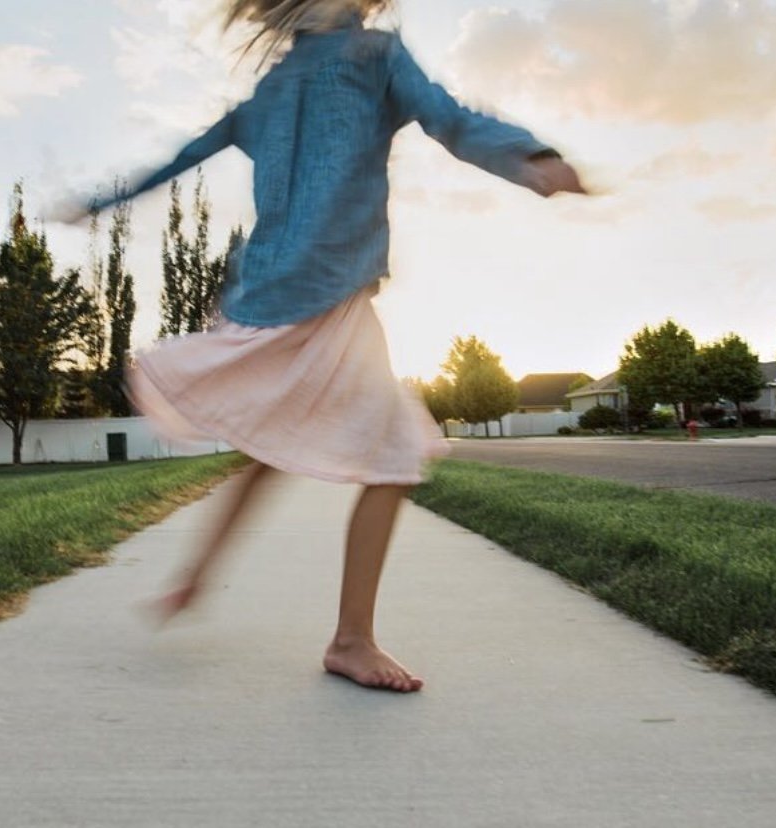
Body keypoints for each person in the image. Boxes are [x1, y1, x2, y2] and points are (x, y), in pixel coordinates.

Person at [52, 0, 587, 693]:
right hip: (329, 292)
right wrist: (531, 159)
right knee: (393, 458)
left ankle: (194, 579)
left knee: (272, 450)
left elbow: (179, 158)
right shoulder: (375, 56)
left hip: (269, 295)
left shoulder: (272, 88)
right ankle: (351, 640)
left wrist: (98, 201)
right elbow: (449, 119)